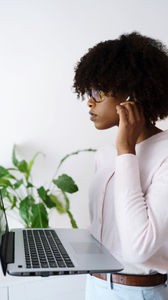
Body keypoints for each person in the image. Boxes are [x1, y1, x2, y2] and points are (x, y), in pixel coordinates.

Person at [73, 32, 168, 299]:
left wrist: (126, 150)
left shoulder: (164, 155)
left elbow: (139, 249)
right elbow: (107, 236)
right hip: (94, 285)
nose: (89, 101)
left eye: (98, 92)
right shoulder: (105, 156)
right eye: (87, 91)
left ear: (132, 94)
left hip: (138, 292)